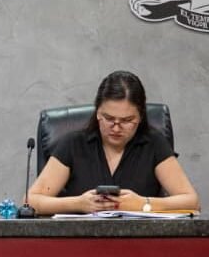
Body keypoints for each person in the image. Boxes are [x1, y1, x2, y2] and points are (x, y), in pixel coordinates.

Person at [27, 71, 199, 215]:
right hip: (82, 240)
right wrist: (78, 204)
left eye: (127, 120)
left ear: (140, 117)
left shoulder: (154, 143)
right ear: (97, 112)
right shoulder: (73, 144)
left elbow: (192, 202)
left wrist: (143, 204)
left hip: (140, 240)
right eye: (109, 118)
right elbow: (31, 201)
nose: (116, 128)